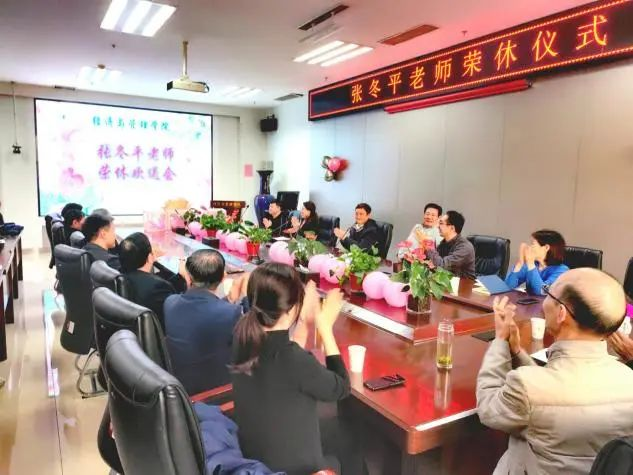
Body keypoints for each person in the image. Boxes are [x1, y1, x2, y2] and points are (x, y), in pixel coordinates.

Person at [477, 268, 633, 475]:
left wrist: (499, 340)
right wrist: (516, 351)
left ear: (561, 313)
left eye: (549, 292)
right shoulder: (628, 379)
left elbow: (489, 409)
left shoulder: (528, 386)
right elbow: (552, 392)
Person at [231, 263, 364, 475]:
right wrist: (324, 325)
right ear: (293, 308)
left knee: (335, 431)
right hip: (296, 469)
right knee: (351, 445)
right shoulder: (292, 359)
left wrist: (303, 320)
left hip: (255, 457)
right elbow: (341, 387)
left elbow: (286, 356)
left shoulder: (242, 335)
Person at [164, 249, 247, 395]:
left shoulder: (170, 302)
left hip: (177, 386)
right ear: (223, 277)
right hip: (212, 394)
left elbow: (204, 311)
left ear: (188, 275)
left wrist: (229, 300)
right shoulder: (231, 313)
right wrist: (246, 297)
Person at [119, 232, 187, 330]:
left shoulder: (120, 276)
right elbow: (178, 313)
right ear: (150, 257)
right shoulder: (156, 287)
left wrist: (179, 277)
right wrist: (186, 279)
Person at [505, 229, 569, 295]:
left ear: (546, 248)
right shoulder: (532, 264)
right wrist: (520, 263)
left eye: (532, 244)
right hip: (529, 301)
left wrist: (530, 263)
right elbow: (507, 287)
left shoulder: (562, 270)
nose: (529, 247)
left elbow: (542, 292)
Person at [423, 210, 475, 278]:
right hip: (448, 280)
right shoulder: (444, 243)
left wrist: (428, 245)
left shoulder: (465, 247)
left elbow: (442, 265)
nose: (437, 226)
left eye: (441, 223)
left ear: (452, 228)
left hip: (465, 282)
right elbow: (435, 261)